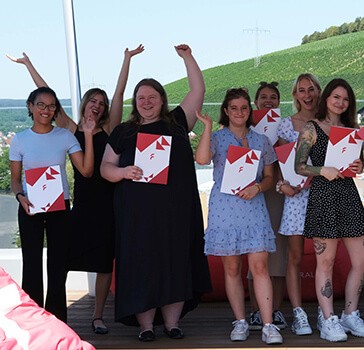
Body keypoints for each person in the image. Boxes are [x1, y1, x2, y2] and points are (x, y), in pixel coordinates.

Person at [7, 45, 144, 334]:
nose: (98, 105)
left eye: (102, 103)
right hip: (78, 202)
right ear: (84, 103)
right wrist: (28, 65)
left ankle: (96, 316)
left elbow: (119, 93)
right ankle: (41, 319)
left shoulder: (110, 128)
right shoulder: (70, 128)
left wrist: (127, 59)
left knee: (103, 260)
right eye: (93, 100)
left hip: (106, 200)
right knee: (59, 261)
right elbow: (48, 99)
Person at [100, 44, 211, 341]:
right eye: (141, 98)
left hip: (176, 213)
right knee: (142, 267)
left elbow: (198, 89)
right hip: (137, 216)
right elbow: (105, 168)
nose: (146, 102)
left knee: (175, 264)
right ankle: (146, 327)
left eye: (152, 97)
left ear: (162, 100)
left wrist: (187, 57)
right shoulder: (123, 131)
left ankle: (172, 324)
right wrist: (124, 172)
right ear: (134, 102)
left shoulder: (178, 122)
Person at [195, 88, 281, 344]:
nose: (239, 112)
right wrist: (207, 127)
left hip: (254, 208)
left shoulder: (261, 140)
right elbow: (201, 159)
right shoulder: (216, 138)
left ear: (249, 110)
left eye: (244, 108)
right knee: (232, 269)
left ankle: (268, 325)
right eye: (234, 108)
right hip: (225, 210)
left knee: (260, 267)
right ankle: (240, 321)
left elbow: (270, 177)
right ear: (226, 111)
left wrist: (257, 187)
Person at [295, 78, 364, 343]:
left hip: (348, 194)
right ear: (326, 98)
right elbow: (298, 166)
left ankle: (350, 314)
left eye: (346, 99)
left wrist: (360, 166)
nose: (341, 102)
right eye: (336, 97)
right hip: (323, 196)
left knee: (362, 260)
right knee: (325, 262)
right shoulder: (311, 127)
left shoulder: (353, 130)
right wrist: (322, 170)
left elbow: (359, 164)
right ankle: (328, 320)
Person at [10, 87, 95, 323]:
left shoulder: (65, 136)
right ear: (30, 106)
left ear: (56, 109)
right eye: (41, 105)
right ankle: (33, 321)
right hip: (29, 206)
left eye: (51, 106)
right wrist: (20, 197)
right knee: (32, 265)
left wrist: (88, 135)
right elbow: (15, 180)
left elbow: (86, 171)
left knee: (58, 265)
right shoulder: (20, 139)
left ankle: (57, 321)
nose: (46, 110)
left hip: (59, 207)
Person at [273, 73, 322, 336]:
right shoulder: (285, 125)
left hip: (322, 194)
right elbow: (283, 164)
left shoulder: (327, 122)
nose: (307, 94)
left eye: (311, 89)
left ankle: (326, 312)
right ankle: (298, 313)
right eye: (302, 90)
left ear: (318, 92)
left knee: (325, 257)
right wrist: (284, 186)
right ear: (295, 95)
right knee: (294, 257)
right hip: (296, 198)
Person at [247, 81, 289, 331]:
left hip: (278, 192)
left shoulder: (284, 127)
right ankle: (255, 311)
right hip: (253, 194)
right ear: (256, 102)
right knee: (256, 253)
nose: (268, 101)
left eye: (273, 97)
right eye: (263, 97)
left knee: (278, 254)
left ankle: (276, 311)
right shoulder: (246, 128)